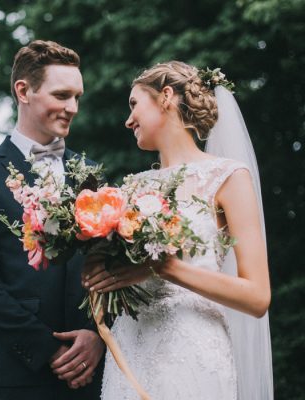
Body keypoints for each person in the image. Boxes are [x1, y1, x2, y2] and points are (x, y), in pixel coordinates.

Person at [83, 61, 273, 399]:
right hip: (131, 347)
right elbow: (120, 276)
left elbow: (257, 297)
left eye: (134, 104)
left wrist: (166, 268)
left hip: (192, 349)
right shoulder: (130, 190)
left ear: (166, 97)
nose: (128, 120)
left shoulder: (228, 176)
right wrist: (100, 273)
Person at [0, 40, 105, 400]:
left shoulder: (91, 175)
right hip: (21, 377)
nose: (73, 108)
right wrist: (49, 350)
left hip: (94, 375)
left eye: (77, 97)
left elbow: (105, 270)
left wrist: (97, 336)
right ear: (24, 90)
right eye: (62, 95)